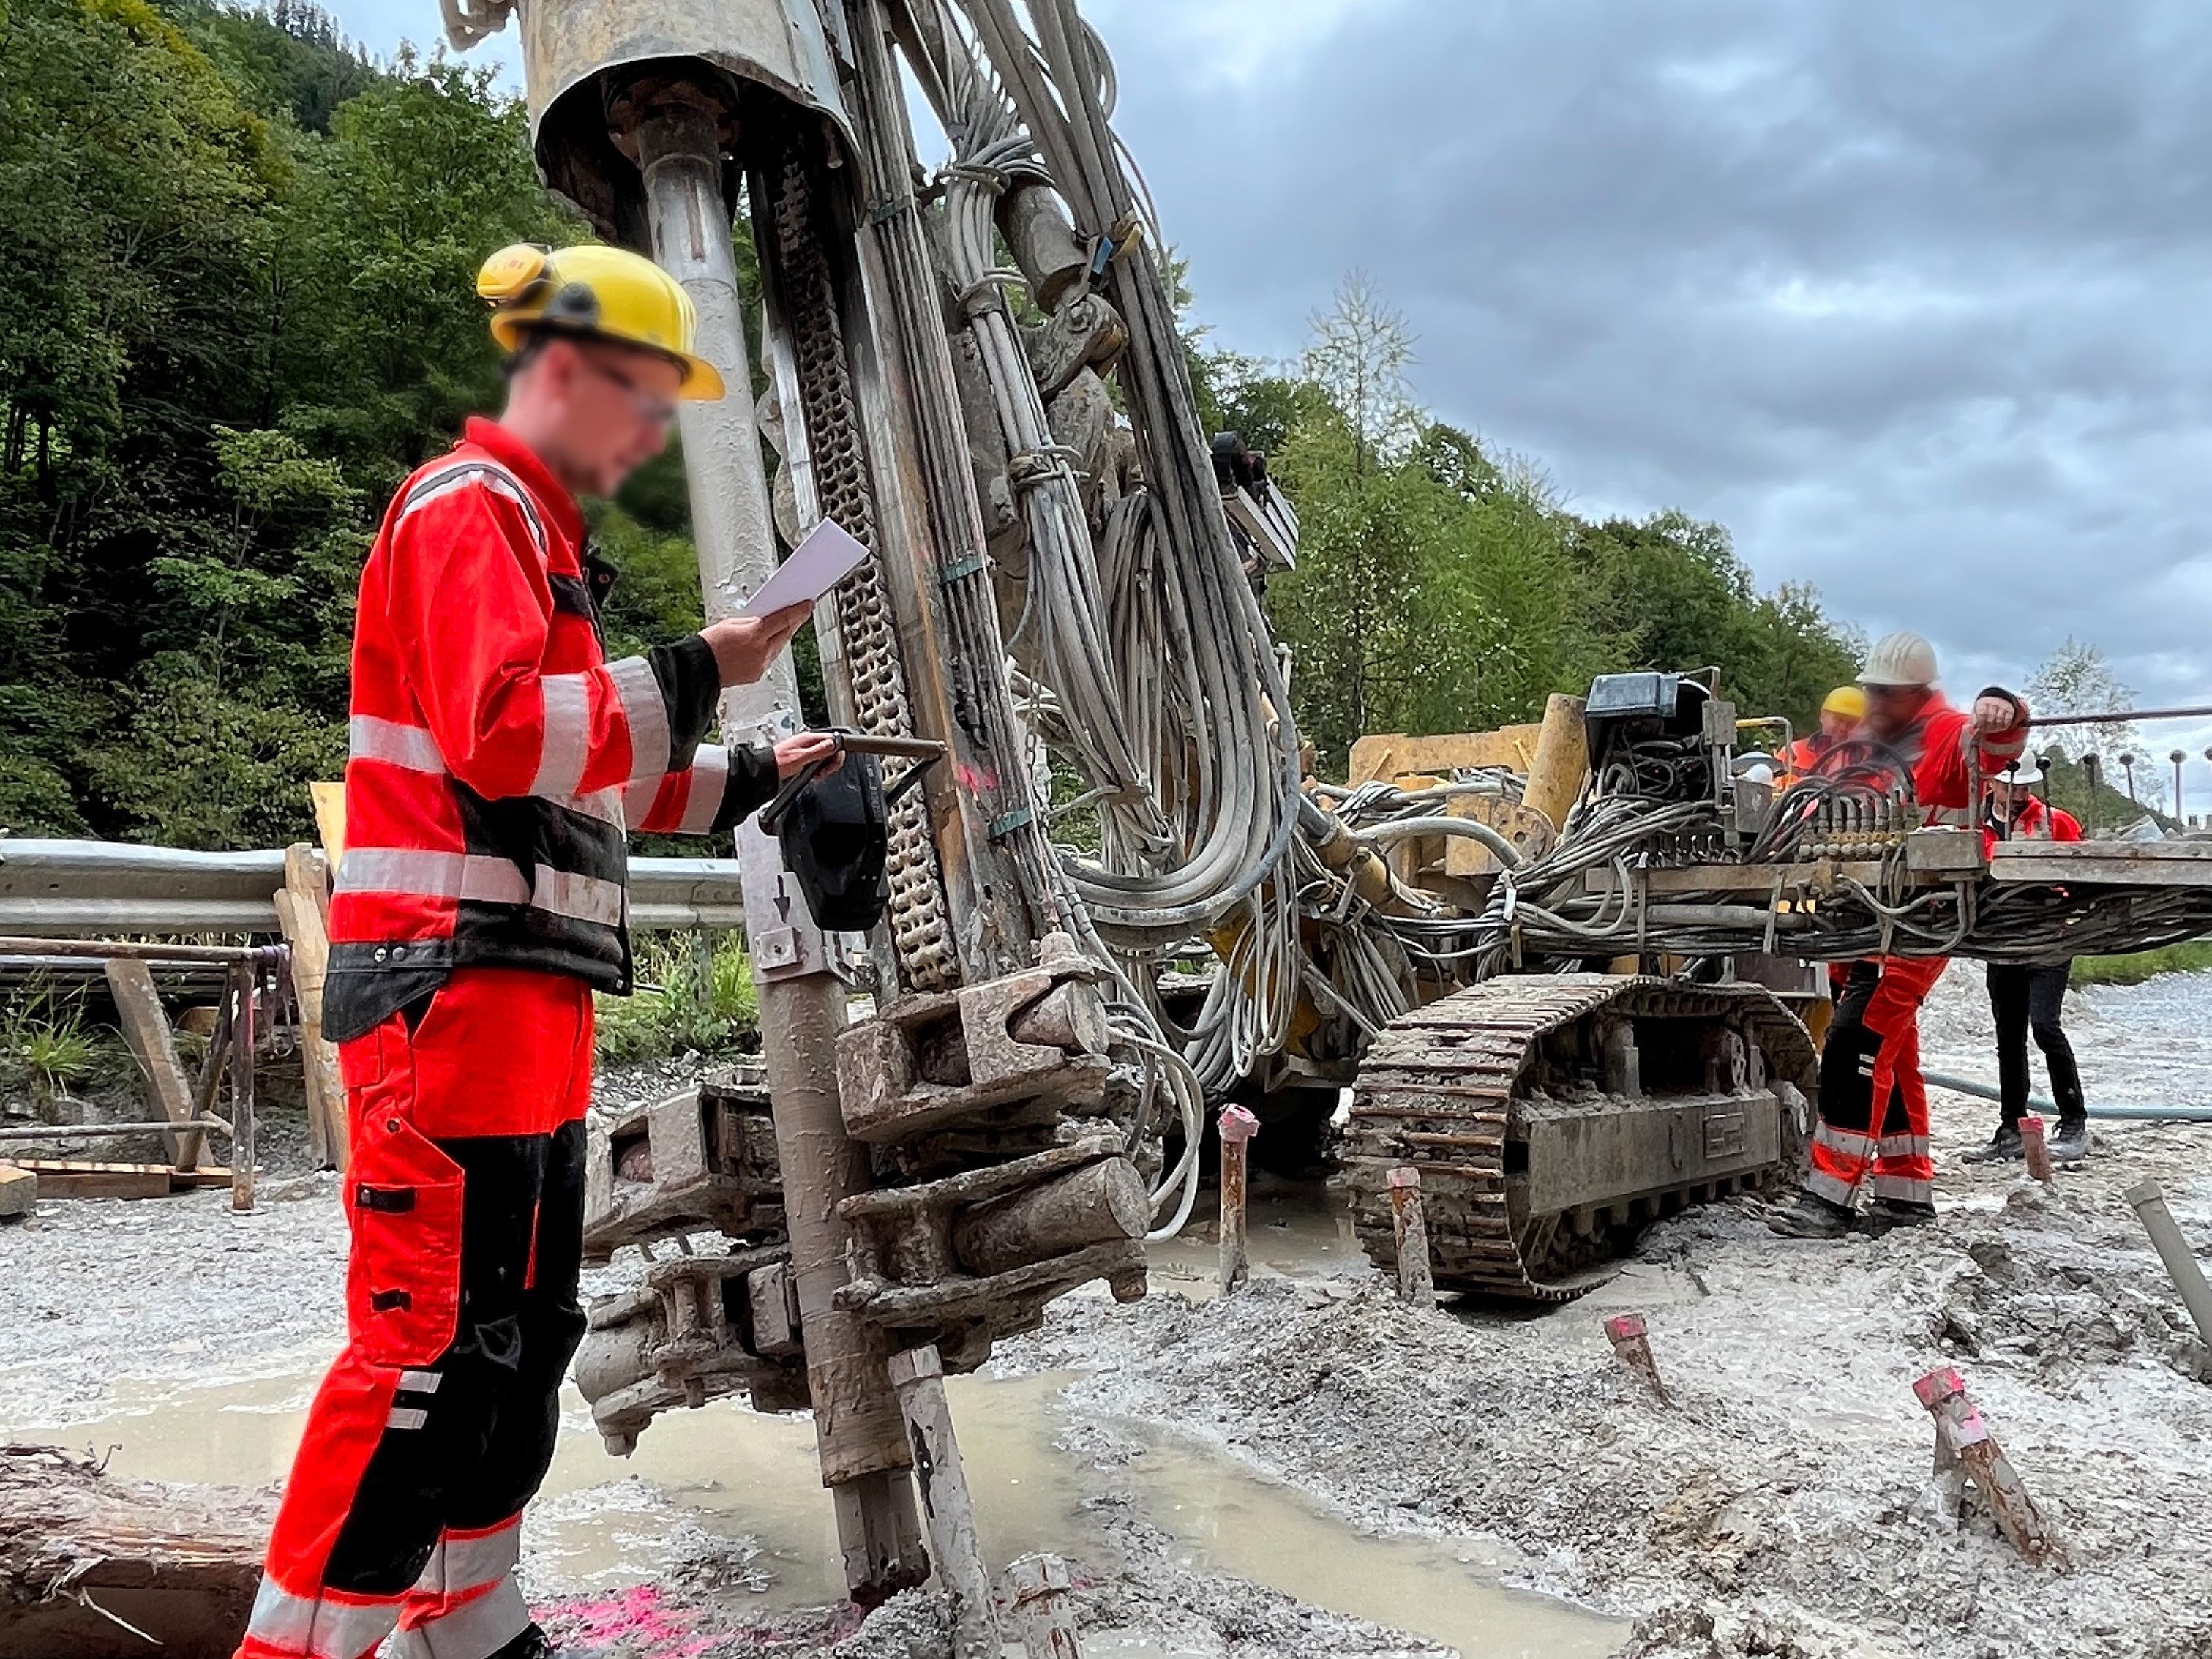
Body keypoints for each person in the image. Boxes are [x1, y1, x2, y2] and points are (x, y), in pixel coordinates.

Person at [236, 244, 831, 1659]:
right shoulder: (467, 507)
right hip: (450, 987)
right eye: (641, 400)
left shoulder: (542, 543)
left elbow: (581, 782)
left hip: (522, 997)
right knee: (427, 1351)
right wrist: (707, 663)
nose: (643, 437)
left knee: (518, 1339)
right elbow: (507, 729)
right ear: (563, 368)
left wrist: (752, 767)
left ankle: (468, 1622)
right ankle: (302, 1646)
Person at [1769, 631, 2030, 1240]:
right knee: (1892, 1052)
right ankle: (1905, 1193)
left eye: (1885, 693)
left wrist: (2002, 708)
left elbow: (1990, 744)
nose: (1875, 702)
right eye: (1870, 691)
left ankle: (1829, 1198)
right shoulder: (1866, 744)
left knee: (1855, 1044)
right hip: (1861, 921)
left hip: (1916, 921)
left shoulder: (1943, 732)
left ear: (1915, 693)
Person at [1963, 760, 2088, 1164]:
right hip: (2002, 942)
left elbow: (2084, 877)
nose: (2019, 794)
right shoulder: (1973, 826)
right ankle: (2011, 1127)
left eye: (2025, 787)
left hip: (2050, 939)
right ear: (1993, 785)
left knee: (2045, 1026)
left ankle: (2073, 1121)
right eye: (2010, 786)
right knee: (2009, 1035)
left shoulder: (2057, 822)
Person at [1780, 684, 1867, 779]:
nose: (1843, 727)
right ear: (1823, 716)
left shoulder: (1865, 761)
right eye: (1839, 719)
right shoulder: (1792, 752)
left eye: (1852, 723)